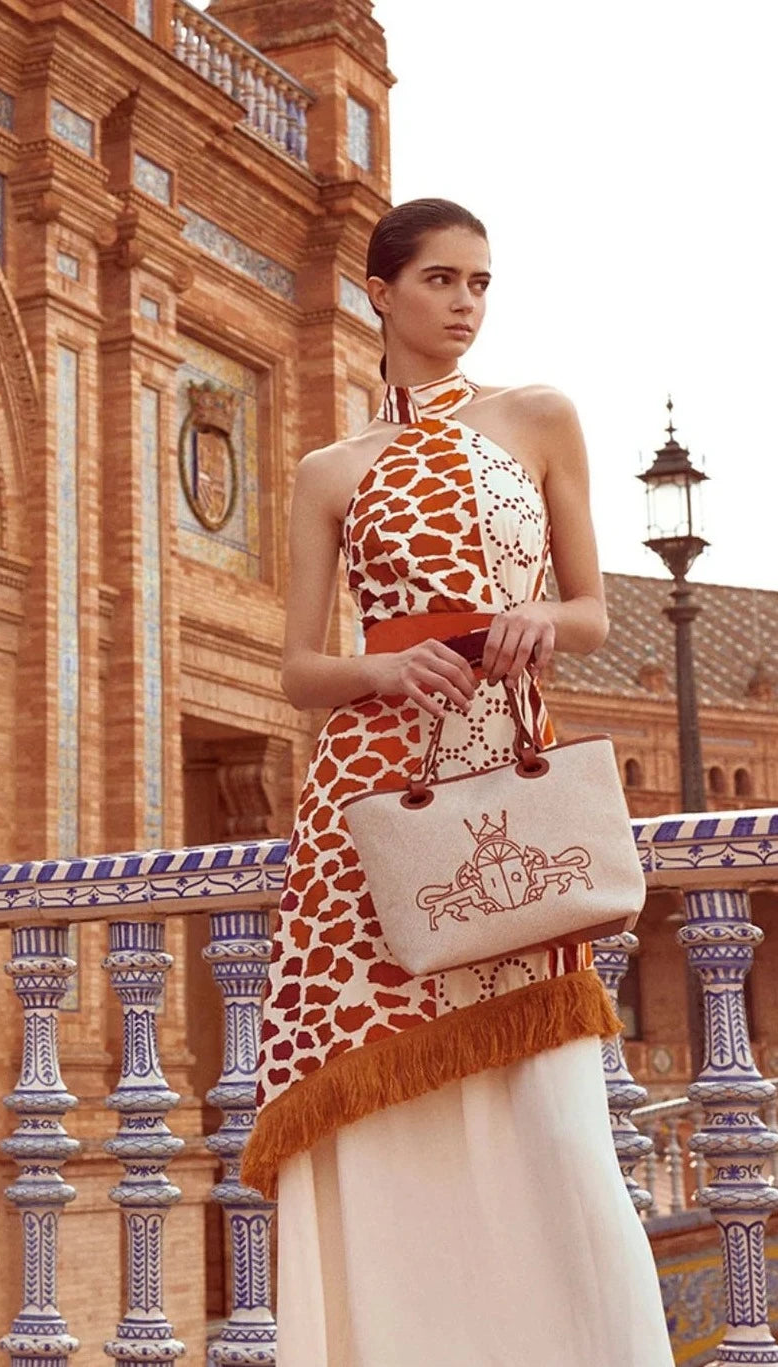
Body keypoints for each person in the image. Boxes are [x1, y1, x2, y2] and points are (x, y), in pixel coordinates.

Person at [238, 198, 674, 1366]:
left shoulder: (536, 418)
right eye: (440, 280)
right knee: (385, 1118)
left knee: (553, 1118)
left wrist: (540, 615)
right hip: (372, 801)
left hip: (512, 784)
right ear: (375, 292)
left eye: (480, 282)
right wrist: (379, 663)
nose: (465, 303)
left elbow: (587, 608)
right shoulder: (331, 469)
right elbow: (295, 669)